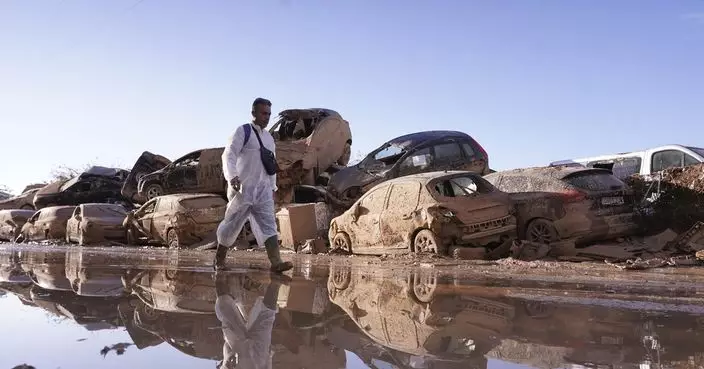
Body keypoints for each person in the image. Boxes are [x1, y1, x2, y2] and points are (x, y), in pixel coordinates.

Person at [214, 97, 293, 273]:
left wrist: (273, 188)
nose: (266, 117)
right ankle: (219, 258)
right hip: (242, 190)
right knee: (232, 224)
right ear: (254, 113)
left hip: (263, 191)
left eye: (269, 114)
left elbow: (271, 165)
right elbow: (229, 155)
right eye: (264, 113)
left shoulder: (269, 139)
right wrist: (232, 176)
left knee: (269, 224)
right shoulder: (243, 132)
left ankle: (276, 262)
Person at [214, 271, 289, 369]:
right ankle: (276, 281)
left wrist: (227, 362)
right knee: (266, 316)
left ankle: (220, 272)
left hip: (238, 349)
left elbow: (226, 360)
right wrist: (269, 355)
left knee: (225, 308)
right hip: (259, 356)